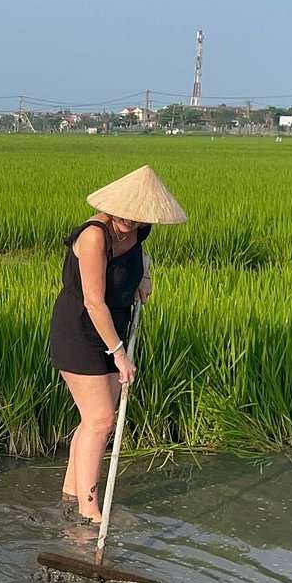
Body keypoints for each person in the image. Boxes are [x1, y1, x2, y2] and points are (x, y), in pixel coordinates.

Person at [47, 165, 186, 523]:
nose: (128, 219)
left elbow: (139, 262)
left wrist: (144, 279)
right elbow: (94, 302)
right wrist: (120, 354)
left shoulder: (139, 236)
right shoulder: (95, 235)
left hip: (114, 329)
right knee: (101, 419)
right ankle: (90, 511)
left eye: (137, 215)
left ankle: (70, 495)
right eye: (123, 212)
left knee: (91, 420)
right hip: (81, 332)